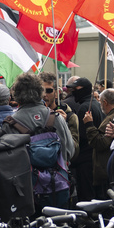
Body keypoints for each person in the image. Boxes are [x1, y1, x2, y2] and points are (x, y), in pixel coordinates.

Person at [6, 72, 75, 211]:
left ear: (16, 94)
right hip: (58, 187)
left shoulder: (10, 123)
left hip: (27, 192)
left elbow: (10, 162)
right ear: (40, 92)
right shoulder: (56, 118)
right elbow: (70, 151)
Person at [63, 77, 103, 202]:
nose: (73, 92)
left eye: (76, 89)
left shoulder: (85, 107)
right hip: (92, 158)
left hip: (85, 159)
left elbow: (81, 136)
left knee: (86, 196)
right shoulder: (94, 103)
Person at [83, 88, 114, 193]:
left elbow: (100, 143)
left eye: (100, 102)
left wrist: (89, 125)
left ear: (105, 102)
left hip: (106, 170)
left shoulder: (112, 119)